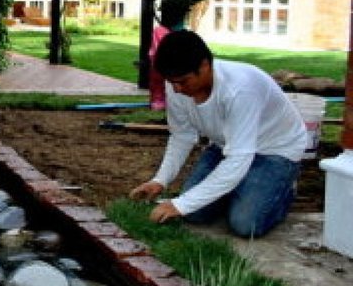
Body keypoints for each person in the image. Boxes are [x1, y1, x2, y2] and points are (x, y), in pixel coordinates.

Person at [129, 30, 306, 237]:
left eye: (183, 81)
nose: (176, 89)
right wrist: (160, 180)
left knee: (245, 224)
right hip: (227, 145)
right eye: (171, 81)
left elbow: (240, 158)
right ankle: (239, 188)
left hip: (276, 150)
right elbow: (182, 136)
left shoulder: (240, 89)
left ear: (204, 66)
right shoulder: (176, 84)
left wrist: (182, 203)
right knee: (194, 214)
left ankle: (283, 188)